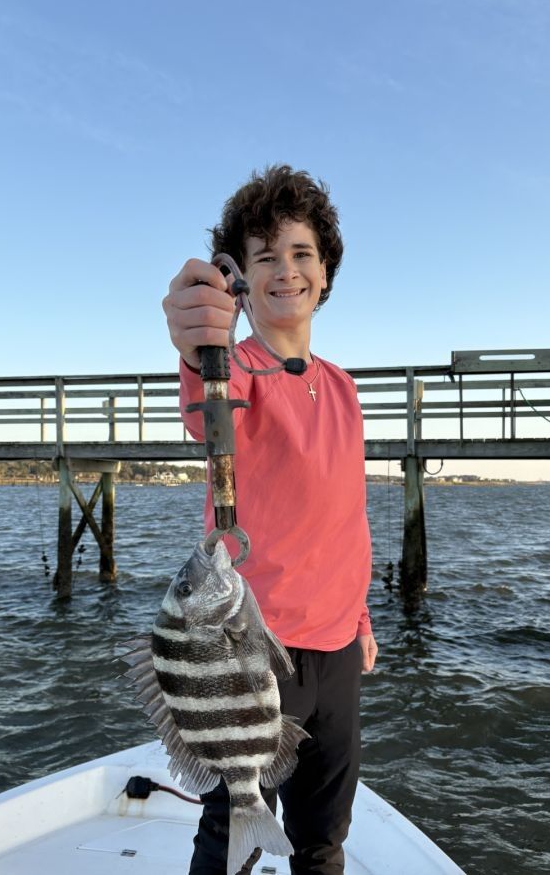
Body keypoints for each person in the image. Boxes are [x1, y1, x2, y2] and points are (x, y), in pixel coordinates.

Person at [162, 164, 377, 875]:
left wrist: (363, 621)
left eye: (301, 253)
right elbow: (205, 404)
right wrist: (199, 339)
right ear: (242, 281)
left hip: (339, 650)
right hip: (252, 650)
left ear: (324, 274)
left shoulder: (345, 387)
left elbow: (348, 517)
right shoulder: (238, 371)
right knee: (231, 831)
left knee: (324, 838)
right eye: (265, 257)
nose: (285, 269)